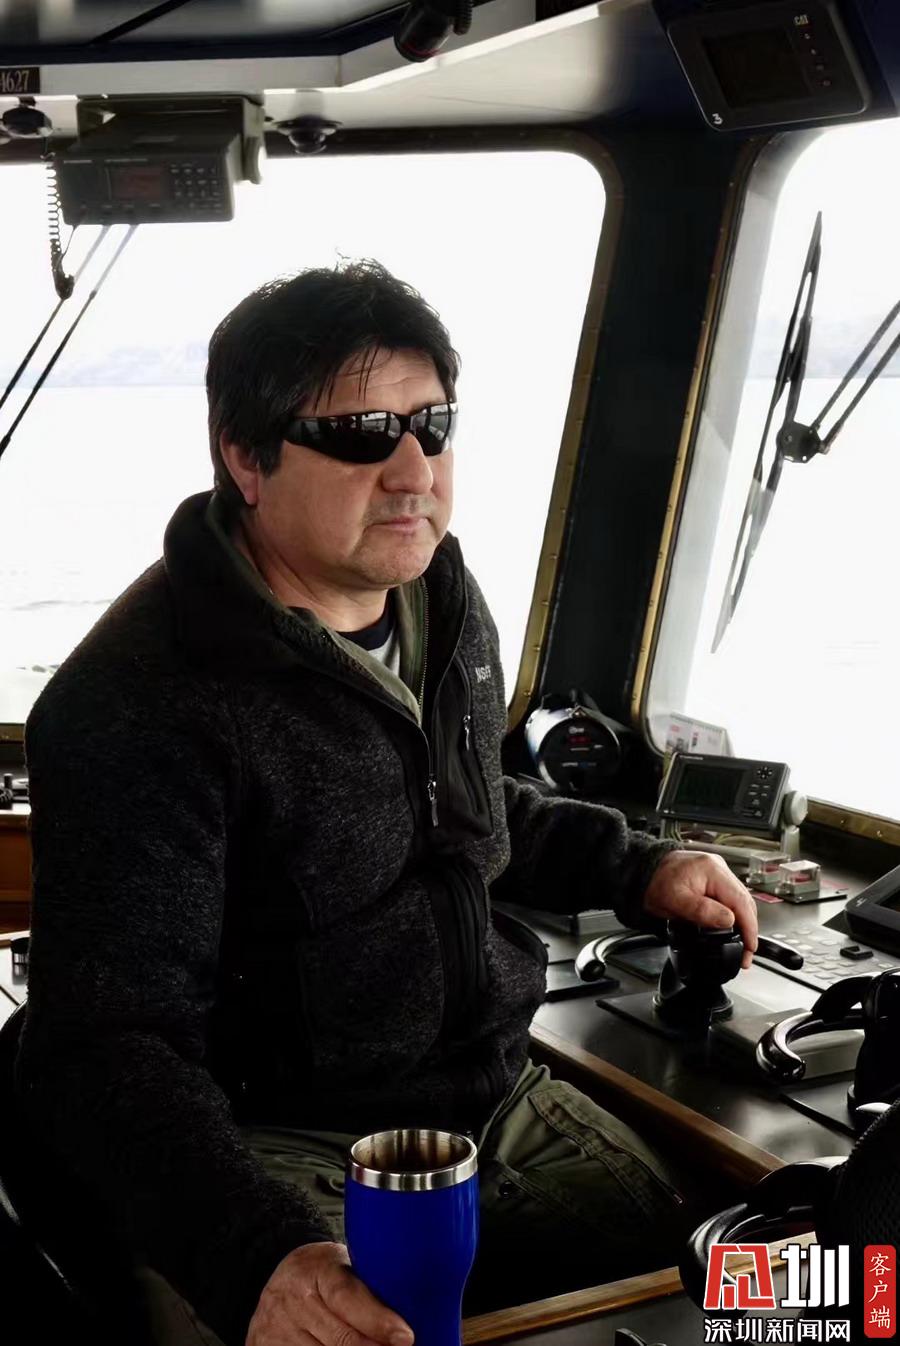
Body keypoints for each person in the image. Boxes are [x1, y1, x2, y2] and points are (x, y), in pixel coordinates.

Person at [15, 261, 758, 1346]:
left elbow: (459, 810)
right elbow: (105, 1047)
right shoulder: (136, 704)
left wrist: (638, 865)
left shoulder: (439, 599)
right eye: (362, 434)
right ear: (246, 457)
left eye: (432, 426)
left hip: (488, 1096)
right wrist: (256, 1256)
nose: (414, 472)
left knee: (751, 1297)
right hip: (265, 1137)